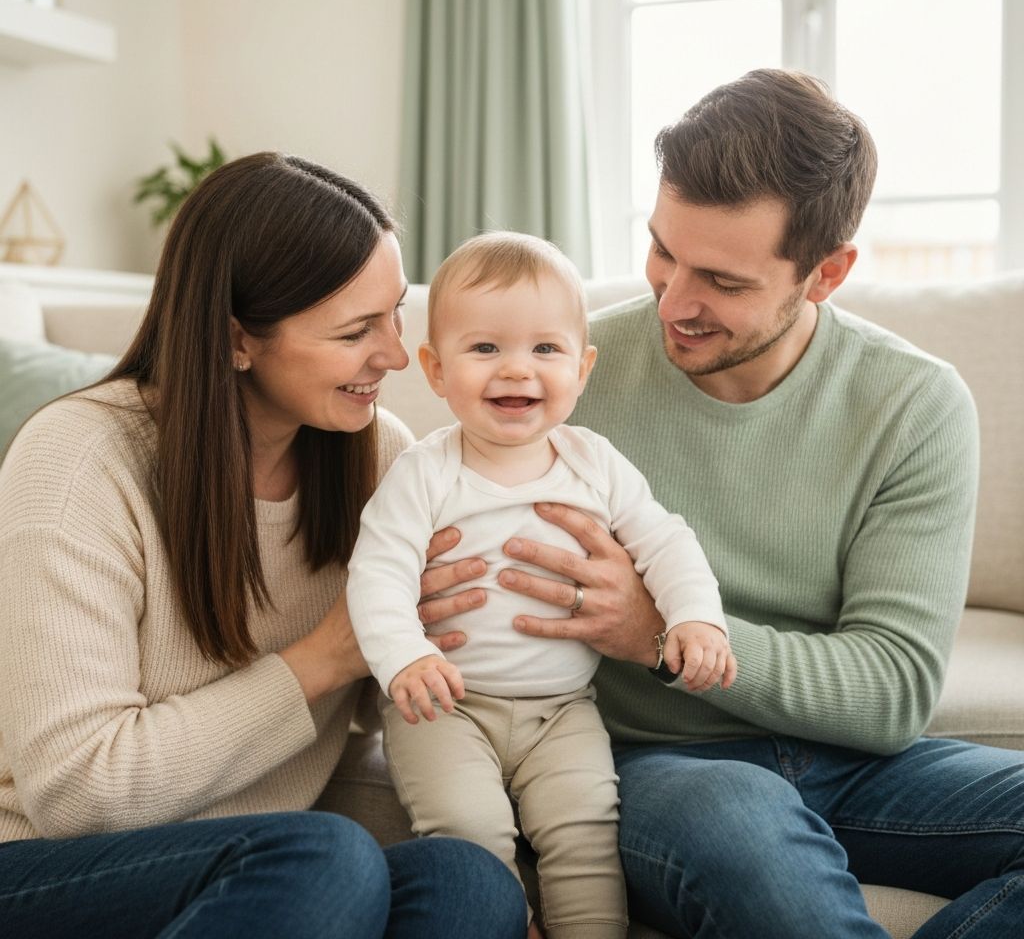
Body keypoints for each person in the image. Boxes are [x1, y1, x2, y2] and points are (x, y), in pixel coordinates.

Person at [417, 69, 1024, 938]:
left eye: (723, 282)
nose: (674, 299)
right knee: (747, 840)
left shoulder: (913, 404)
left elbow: (892, 692)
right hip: (660, 766)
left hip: (853, 764)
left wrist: (656, 635)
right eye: (664, 251)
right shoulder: (567, 377)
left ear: (827, 273)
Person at [0, 153, 526, 938]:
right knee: (324, 858)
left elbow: (414, 706)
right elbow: (77, 793)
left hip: (269, 867)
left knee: (470, 880)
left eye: (394, 315)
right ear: (237, 340)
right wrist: (330, 655)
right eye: (355, 332)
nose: (392, 355)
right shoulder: (78, 463)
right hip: (53, 862)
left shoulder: (381, 455)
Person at [346, 231, 735, 939]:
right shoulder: (425, 473)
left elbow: (665, 541)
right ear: (435, 370)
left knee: (586, 833)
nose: (516, 371)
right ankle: (507, 922)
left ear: (582, 368)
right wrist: (405, 656)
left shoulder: (595, 463)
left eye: (545, 350)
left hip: (564, 710)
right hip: (446, 706)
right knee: (469, 826)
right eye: (485, 349)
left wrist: (695, 620)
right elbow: (378, 572)